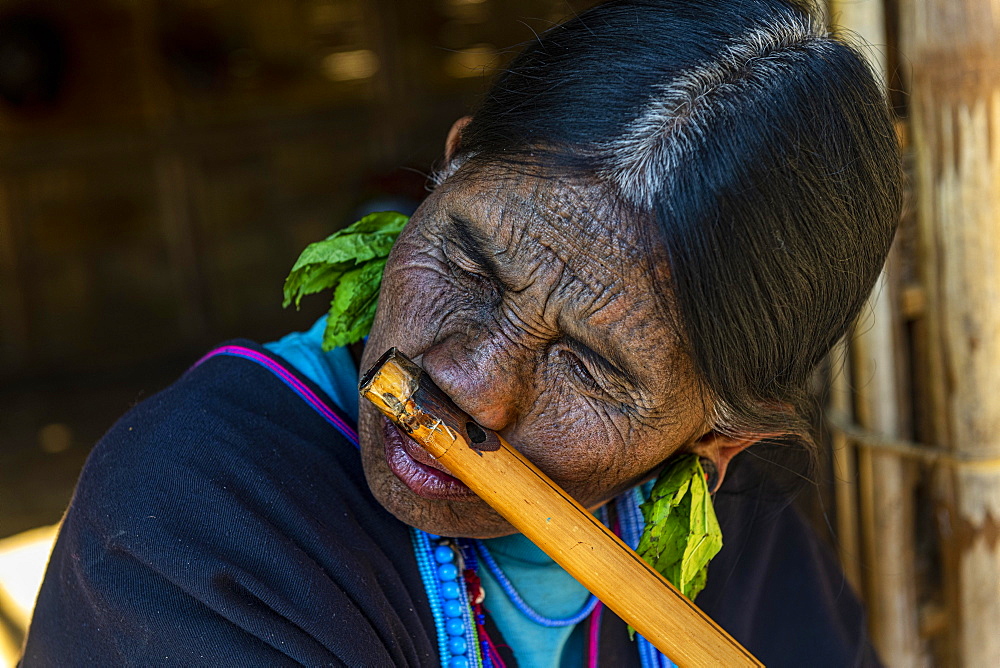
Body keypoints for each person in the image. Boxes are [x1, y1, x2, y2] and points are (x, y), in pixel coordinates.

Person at [22, 0, 900, 666]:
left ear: (717, 439)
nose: (472, 383)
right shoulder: (190, 517)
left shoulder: (733, 540)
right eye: (469, 267)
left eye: (586, 366)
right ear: (447, 168)